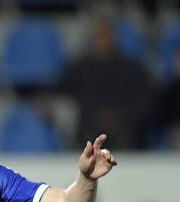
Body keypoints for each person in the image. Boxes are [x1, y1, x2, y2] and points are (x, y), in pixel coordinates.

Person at [60, 18, 155, 149]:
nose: (103, 40)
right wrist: (96, 115)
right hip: (89, 123)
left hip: (123, 124)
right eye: (99, 36)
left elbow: (143, 100)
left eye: (107, 35)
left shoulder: (130, 68)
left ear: (115, 38)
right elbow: (66, 93)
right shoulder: (80, 67)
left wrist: (119, 116)